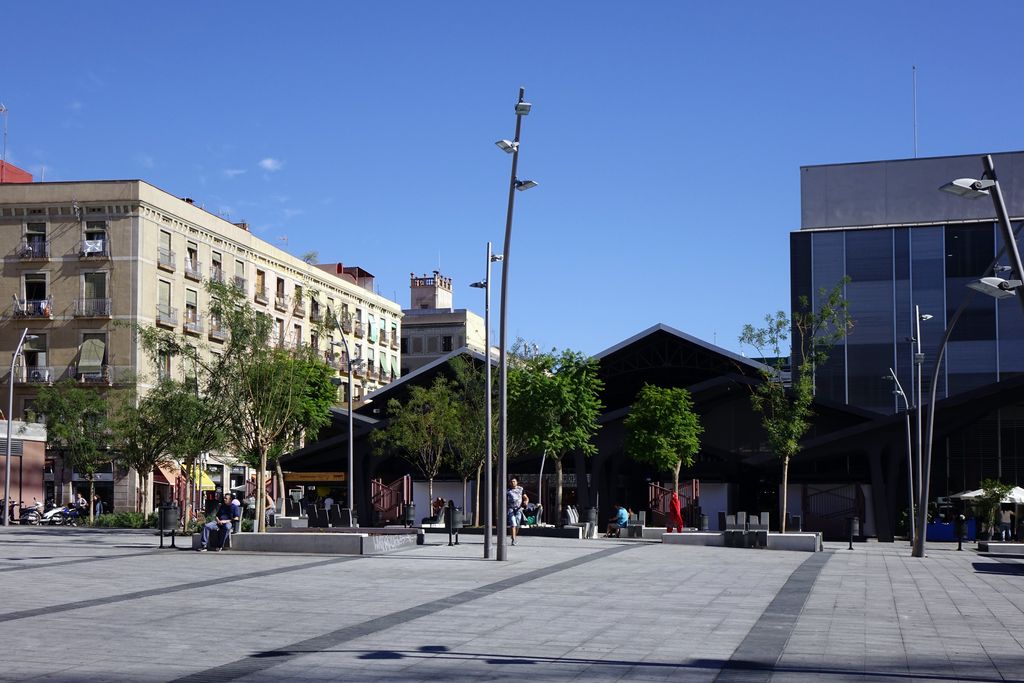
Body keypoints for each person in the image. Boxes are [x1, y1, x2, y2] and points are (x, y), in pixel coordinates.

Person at [507, 478, 524, 545]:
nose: (513, 483)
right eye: (511, 482)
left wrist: (526, 501)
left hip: (518, 509)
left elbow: (525, 497)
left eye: (514, 481)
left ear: (517, 482)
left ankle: (514, 536)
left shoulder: (521, 489)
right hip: (510, 509)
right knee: (513, 524)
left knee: (517, 525)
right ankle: (513, 540)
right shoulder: (508, 491)